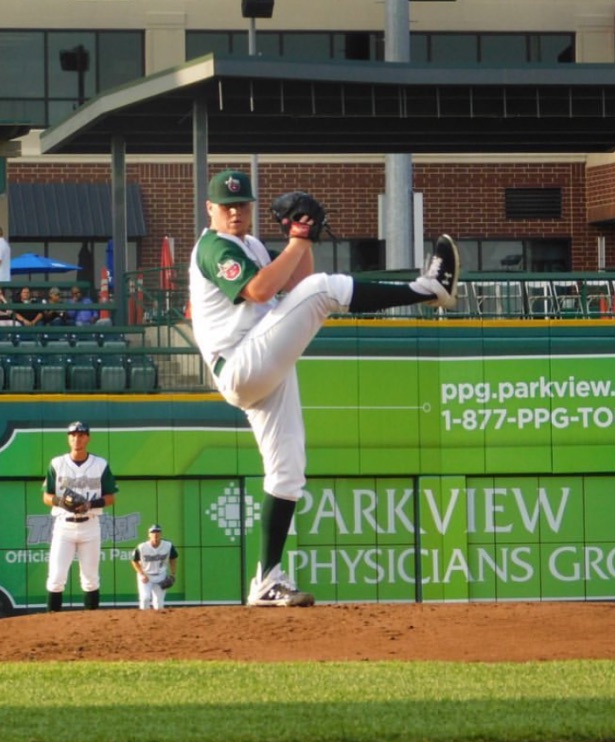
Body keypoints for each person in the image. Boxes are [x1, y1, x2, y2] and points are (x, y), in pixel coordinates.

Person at [188, 170, 460, 607]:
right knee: (325, 289)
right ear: (210, 209)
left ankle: (267, 580)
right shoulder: (214, 246)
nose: (235, 212)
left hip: (262, 360)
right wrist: (296, 240)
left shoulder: (252, 245)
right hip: (241, 361)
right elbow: (260, 291)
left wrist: (304, 240)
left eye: (241, 205)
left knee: (288, 472)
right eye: (226, 206)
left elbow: (294, 283)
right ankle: (427, 290)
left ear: (252, 207)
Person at [42, 421, 118, 612]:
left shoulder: (100, 464)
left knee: (91, 579)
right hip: (64, 526)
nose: (77, 438)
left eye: (81, 434)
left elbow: (110, 497)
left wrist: (90, 504)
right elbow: (46, 496)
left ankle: (91, 625)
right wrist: (62, 502)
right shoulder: (57, 463)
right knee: (56, 577)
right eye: (73, 434)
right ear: (68, 438)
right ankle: (52, 622)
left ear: (88, 438)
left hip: (90, 525)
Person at [130, 524, 178, 611]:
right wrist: (141, 574)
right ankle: (145, 621)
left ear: (161, 534)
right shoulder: (142, 547)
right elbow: (134, 561)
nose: (155, 534)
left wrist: (173, 574)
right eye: (153, 532)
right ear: (149, 534)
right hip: (146, 575)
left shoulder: (168, 546)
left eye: (157, 532)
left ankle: (158, 623)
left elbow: (173, 559)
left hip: (161, 575)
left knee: (159, 604)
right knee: (145, 599)